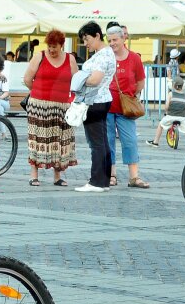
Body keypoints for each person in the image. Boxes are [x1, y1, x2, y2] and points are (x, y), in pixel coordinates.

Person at [23, 29, 78, 186]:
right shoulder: (39, 56)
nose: (52, 50)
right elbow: (27, 79)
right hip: (39, 106)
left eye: (55, 46)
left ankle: (57, 175)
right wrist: (38, 93)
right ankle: (34, 174)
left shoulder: (70, 59)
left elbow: (76, 82)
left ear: (62, 45)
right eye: (50, 46)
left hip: (62, 106)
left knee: (59, 140)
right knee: (38, 139)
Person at [73, 22, 116, 192]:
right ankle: (103, 181)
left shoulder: (103, 55)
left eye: (87, 39)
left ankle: (97, 182)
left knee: (96, 143)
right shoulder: (105, 53)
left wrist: (78, 79)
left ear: (98, 35)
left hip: (95, 100)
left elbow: (95, 80)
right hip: (101, 99)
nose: (85, 43)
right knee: (102, 142)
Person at [105, 24, 149, 189]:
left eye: (115, 40)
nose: (112, 43)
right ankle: (111, 175)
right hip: (107, 107)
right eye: (109, 40)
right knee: (108, 142)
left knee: (130, 141)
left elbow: (140, 82)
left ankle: (134, 177)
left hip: (126, 109)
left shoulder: (134, 58)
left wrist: (130, 96)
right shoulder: (106, 57)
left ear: (123, 38)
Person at [147, 77, 185, 149]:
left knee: (160, 125)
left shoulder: (171, 94)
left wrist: (166, 111)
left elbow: (166, 106)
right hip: (182, 117)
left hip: (170, 116)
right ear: (182, 86)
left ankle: (155, 142)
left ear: (173, 85)